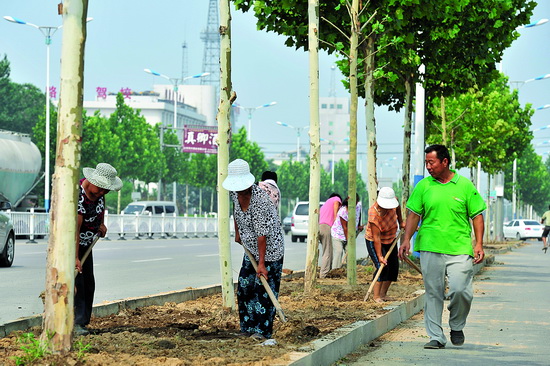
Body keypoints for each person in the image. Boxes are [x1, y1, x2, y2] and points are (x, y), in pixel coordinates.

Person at [398, 145, 486, 350]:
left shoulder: (464, 185)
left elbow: (477, 216)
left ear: (444, 162)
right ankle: (436, 336)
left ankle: (456, 325)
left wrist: (479, 243)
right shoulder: (424, 186)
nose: (428, 167)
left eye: (431, 162)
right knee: (433, 292)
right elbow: (413, 215)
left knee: (460, 290)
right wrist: (406, 240)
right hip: (430, 246)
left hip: (460, 247)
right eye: (426, 163)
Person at [223, 159, 285, 340]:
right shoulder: (234, 193)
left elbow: (262, 236)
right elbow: (236, 211)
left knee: (263, 291)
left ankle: (262, 331)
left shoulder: (260, 201)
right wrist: (238, 232)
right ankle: (247, 327)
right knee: (244, 287)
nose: (239, 190)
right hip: (251, 248)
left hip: (270, 251)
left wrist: (262, 264)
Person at [75, 163, 122, 336]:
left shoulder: (99, 194)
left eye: (106, 191)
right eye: (100, 189)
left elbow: (100, 211)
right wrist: (75, 258)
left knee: (89, 283)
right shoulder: (78, 196)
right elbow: (74, 230)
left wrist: (101, 225)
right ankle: (75, 323)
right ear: (91, 181)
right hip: (72, 245)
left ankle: (84, 322)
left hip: (88, 244)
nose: (102, 193)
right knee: (76, 283)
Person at [365, 187, 404, 303]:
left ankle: (383, 294)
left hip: (390, 238)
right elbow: (376, 238)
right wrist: (380, 256)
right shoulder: (373, 213)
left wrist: (401, 222)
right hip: (374, 241)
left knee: (393, 268)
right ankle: (376, 296)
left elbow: (398, 209)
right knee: (381, 267)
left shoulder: (394, 203)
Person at [331, 194, 362, 269]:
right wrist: (349, 241)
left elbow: (359, 215)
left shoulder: (358, 207)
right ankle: (335, 271)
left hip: (350, 235)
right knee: (338, 252)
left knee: (350, 253)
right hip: (338, 235)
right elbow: (345, 228)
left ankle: (351, 271)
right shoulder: (343, 211)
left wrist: (358, 226)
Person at [318, 193, 342, 278]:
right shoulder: (336, 199)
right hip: (326, 227)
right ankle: (323, 274)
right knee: (327, 252)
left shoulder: (325, 204)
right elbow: (336, 203)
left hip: (320, 227)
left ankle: (328, 272)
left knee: (329, 250)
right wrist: (336, 217)